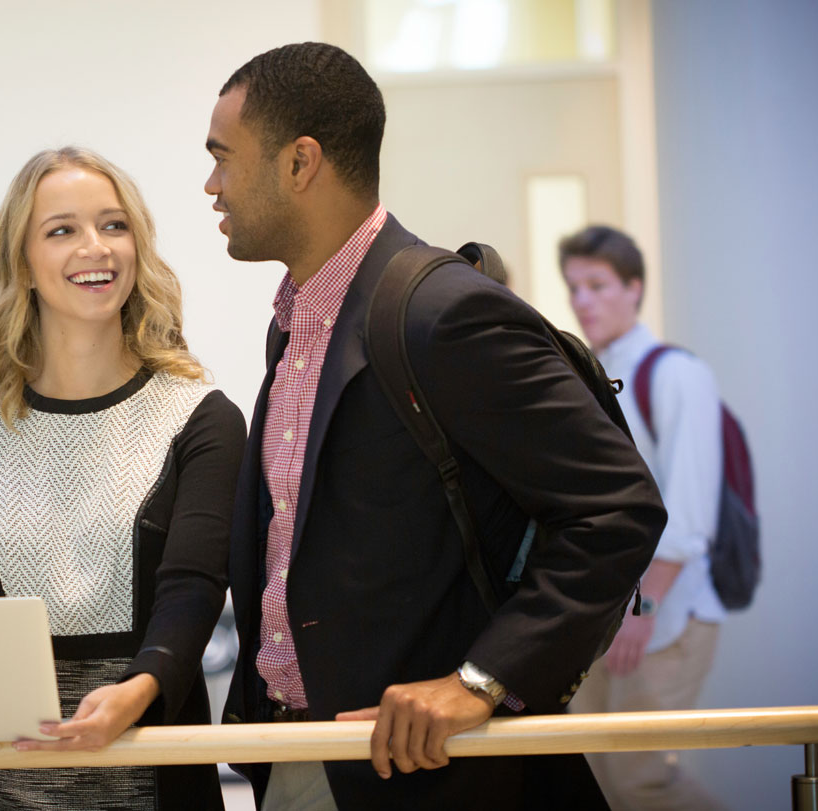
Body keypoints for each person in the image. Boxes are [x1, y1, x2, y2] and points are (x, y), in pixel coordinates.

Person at [205, 43, 666, 809]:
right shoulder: (293, 327)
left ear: (300, 162)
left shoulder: (441, 313)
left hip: (428, 777)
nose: (212, 184)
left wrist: (482, 679)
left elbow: (618, 508)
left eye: (224, 157)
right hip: (300, 757)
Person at [0, 146, 244, 810]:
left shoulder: (200, 419)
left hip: (152, 771)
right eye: (62, 230)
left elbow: (193, 589)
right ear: (22, 263)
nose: (97, 247)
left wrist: (138, 689)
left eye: (114, 226)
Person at [561, 224, 726, 811]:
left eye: (598, 286)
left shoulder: (676, 375)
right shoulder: (589, 375)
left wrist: (644, 610)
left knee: (638, 780)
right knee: (600, 783)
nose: (583, 301)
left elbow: (688, 515)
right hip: (607, 621)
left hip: (662, 619)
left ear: (635, 289)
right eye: (574, 287)